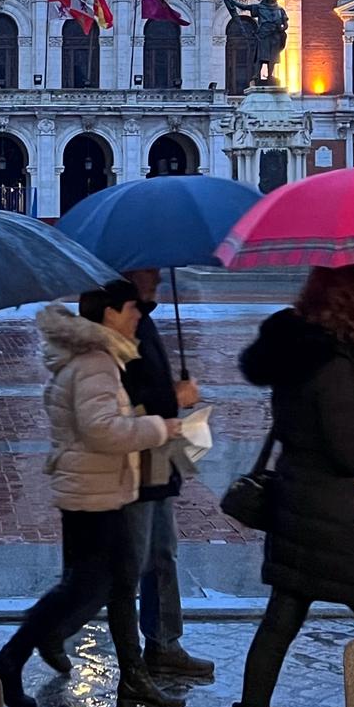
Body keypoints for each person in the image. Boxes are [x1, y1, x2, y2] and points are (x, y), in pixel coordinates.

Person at [0, 279, 185, 707]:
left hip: (91, 488)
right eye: (132, 308)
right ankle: (9, 659)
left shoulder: (89, 356)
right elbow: (102, 429)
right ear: (110, 313)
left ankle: (131, 677)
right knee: (87, 586)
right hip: (94, 493)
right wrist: (159, 427)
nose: (138, 315)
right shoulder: (97, 360)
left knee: (107, 585)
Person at [233, 263, 354, 707]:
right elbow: (350, 453)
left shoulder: (298, 350)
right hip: (336, 521)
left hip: (294, 505)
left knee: (280, 621)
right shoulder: (330, 367)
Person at [119, 267, 214, 679]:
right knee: (132, 560)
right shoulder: (121, 324)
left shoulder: (145, 317)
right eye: (149, 269)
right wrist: (173, 395)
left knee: (161, 550)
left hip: (157, 454)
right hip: (135, 458)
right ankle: (50, 630)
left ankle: (163, 642)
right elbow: (116, 398)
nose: (157, 275)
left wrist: (172, 393)